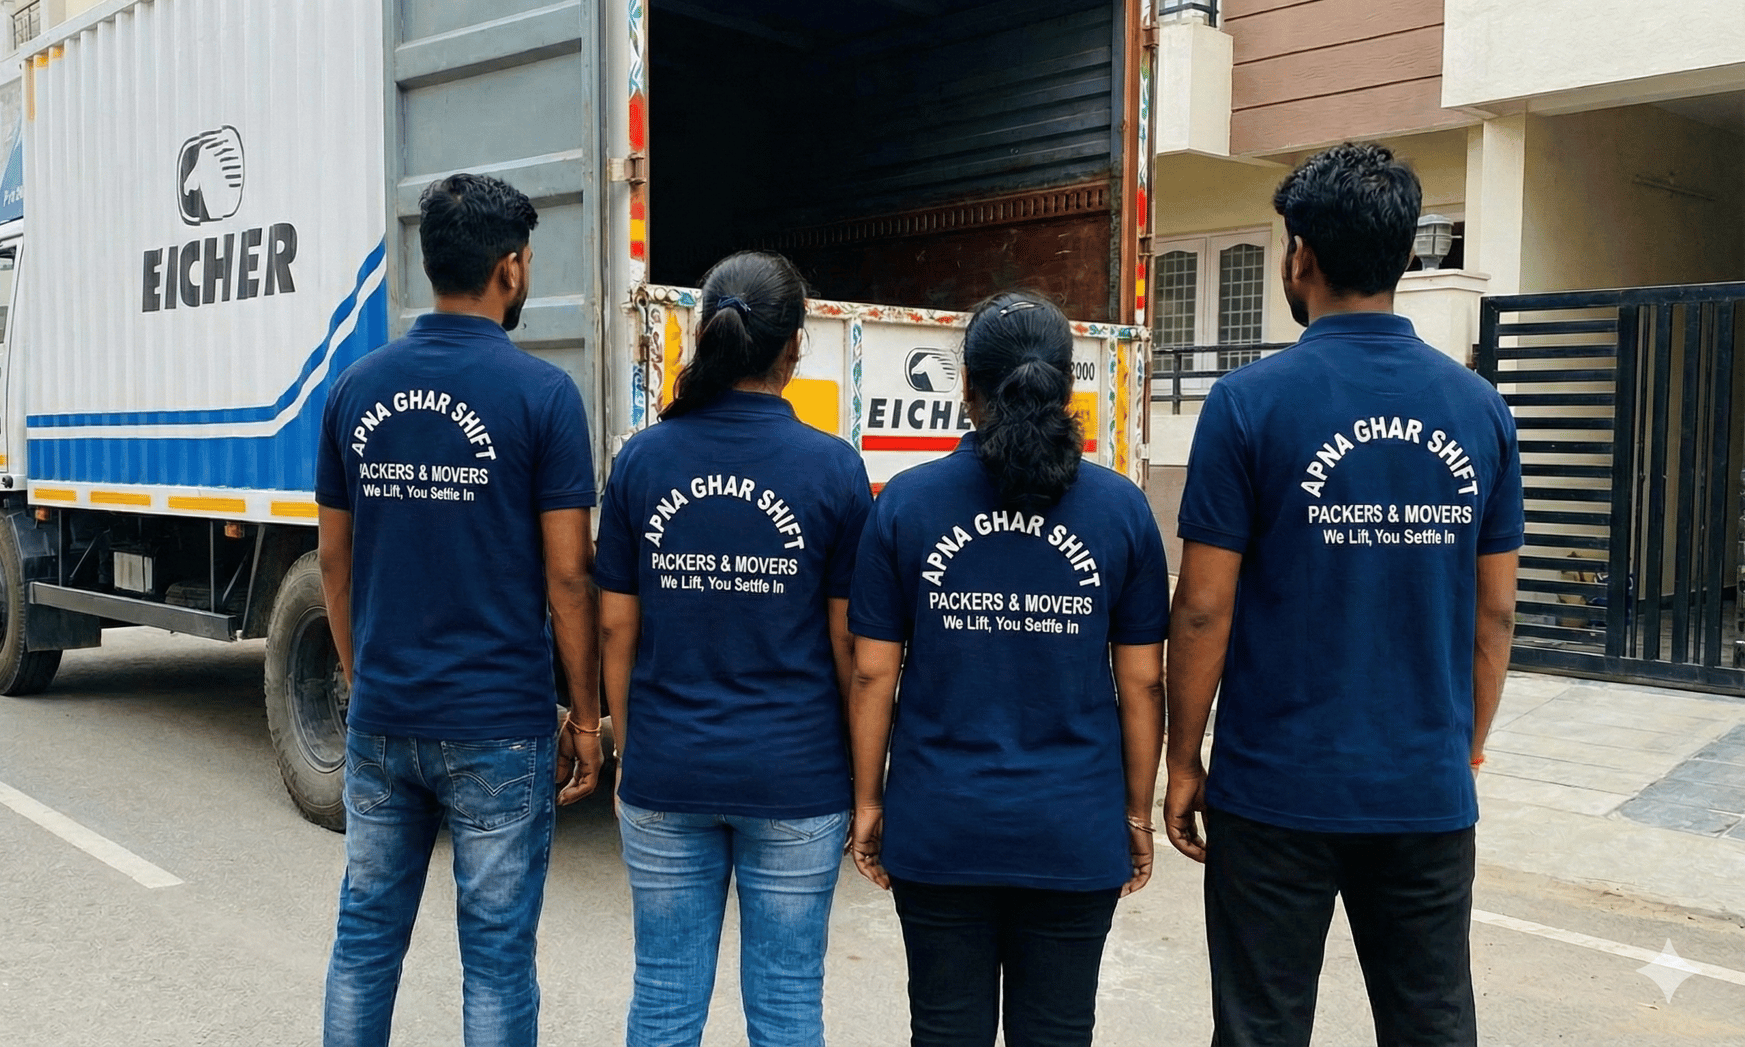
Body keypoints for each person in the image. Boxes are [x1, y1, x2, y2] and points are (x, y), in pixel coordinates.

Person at [1164, 142, 1523, 1047]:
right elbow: (1497, 610)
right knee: (1431, 1022)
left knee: (1261, 1027)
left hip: (1273, 792)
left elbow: (1204, 605)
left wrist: (1182, 757)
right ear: (1401, 256)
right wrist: (1463, 745)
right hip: (1423, 789)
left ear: (1301, 257)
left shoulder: (1246, 403)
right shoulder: (1479, 408)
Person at [316, 172, 605, 1047]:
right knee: (497, 956)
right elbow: (568, 579)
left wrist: (360, 671)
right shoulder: (544, 397)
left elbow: (334, 554)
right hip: (497, 723)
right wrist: (586, 716)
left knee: (365, 939)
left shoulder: (356, 388)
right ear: (510, 268)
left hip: (385, 713)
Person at [846, 291, 1170, 1047]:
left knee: (945, 1030)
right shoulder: (1121, 511)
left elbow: (872, 675)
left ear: (966, 386)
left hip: (940, 825)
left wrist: (868, 801)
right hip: (1073, 829)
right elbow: (1143, 681)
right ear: (1068, 385)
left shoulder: (906, 504)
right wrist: (1134, 813)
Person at [595, 251, 872, 1047]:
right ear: (793, 347)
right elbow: (849, 643)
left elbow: (618, 625)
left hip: (668, 770)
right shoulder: (832, 469)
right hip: (795, 778)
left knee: (665, 1000)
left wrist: (629, 750)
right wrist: (863, 785)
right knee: (787, 1008)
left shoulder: (644, 461)